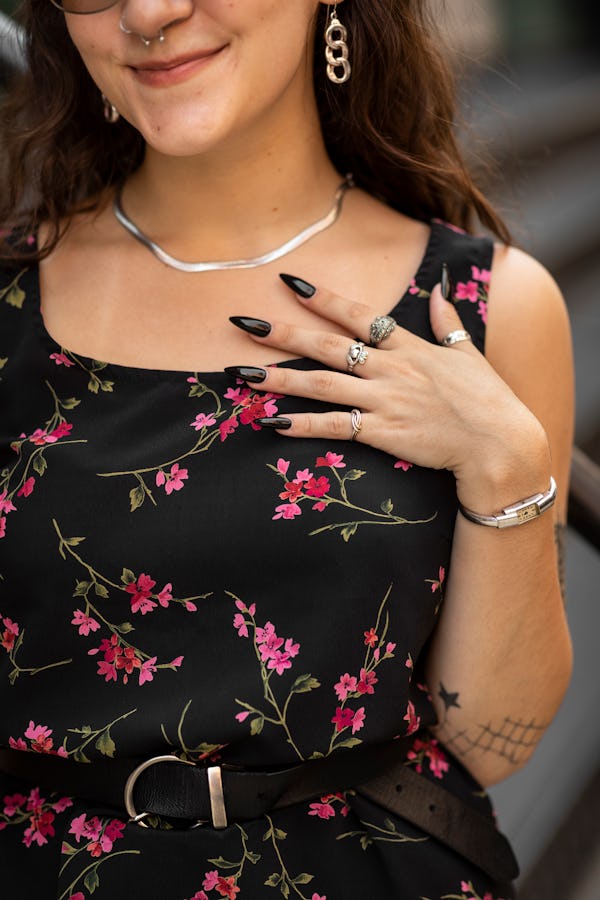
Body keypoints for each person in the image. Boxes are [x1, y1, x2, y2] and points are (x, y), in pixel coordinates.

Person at [0, 1, 574, 898]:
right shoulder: (10, 298)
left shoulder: (480, 304)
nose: (150, 11)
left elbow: (492, 740)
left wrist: (505, 469)